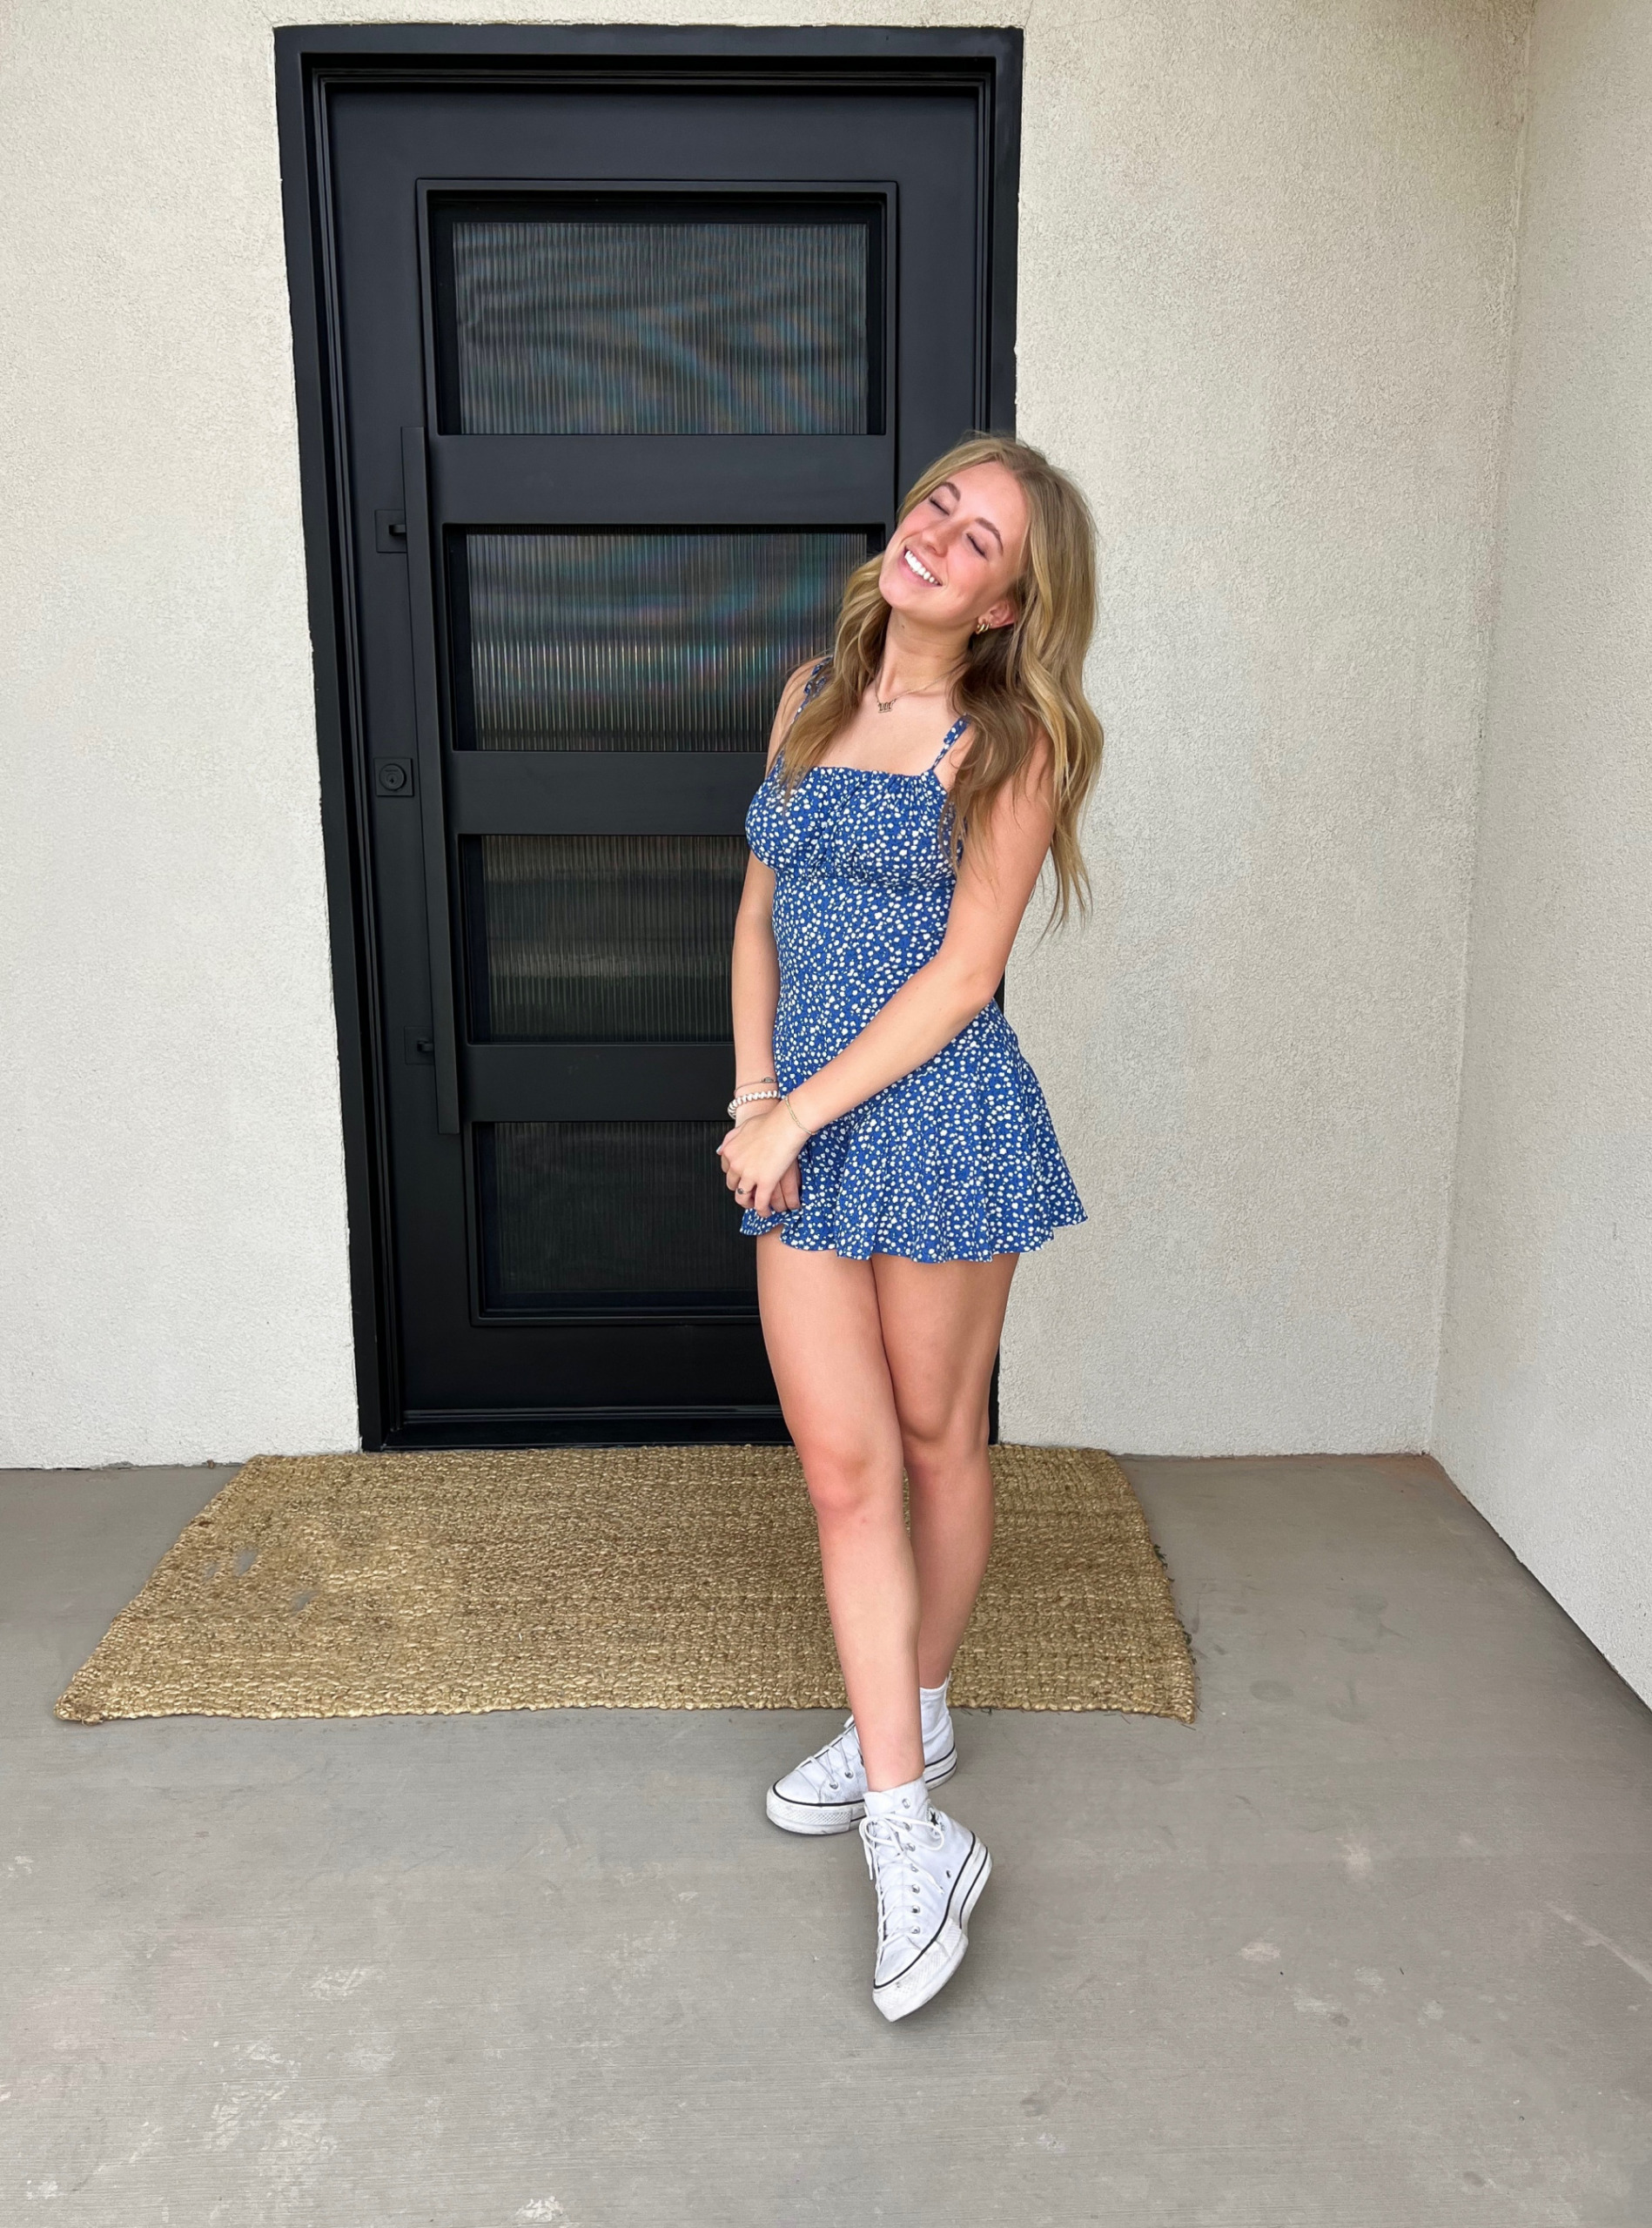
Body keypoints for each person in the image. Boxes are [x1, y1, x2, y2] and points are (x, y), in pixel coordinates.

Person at [716, 433, 1103, 2021]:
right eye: (942, 501)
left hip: (936, 1124)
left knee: (938, 1444)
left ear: (1008, 604)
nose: (942, 532)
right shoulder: (812, 690)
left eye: (983, 536)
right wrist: (758, 1097)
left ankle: (915, 1721)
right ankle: (910, 1821)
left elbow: (961, 977)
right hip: (800, 1133)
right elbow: (757, 915)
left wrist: (797, 1115)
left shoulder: (1010, 741)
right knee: (842, 1472)